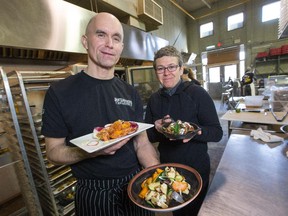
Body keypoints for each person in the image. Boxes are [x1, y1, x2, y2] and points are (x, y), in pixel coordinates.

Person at [41, 12, 159, 216]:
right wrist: (88, 151)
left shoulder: (130, 92)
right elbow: (53, 152)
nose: (110, 44)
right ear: (85, 42)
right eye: (101, 34)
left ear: (121, 47)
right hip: (94, 191)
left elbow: (142, 143)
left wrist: (156, 174)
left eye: (116, 38)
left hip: (135, 182)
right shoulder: (60, 92)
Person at [145, 45, 223, 216]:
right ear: (156, 71)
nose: (166, 73)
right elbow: (148, 136)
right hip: (168, 170)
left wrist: (195, 131)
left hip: (196, 169)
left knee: (196, 212)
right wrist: (157, 128)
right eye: (161, 68)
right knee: (178, 212)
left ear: (181, 69)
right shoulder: (154, 99)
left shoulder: (197, 94)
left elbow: (217, 133)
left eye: (172, 67)